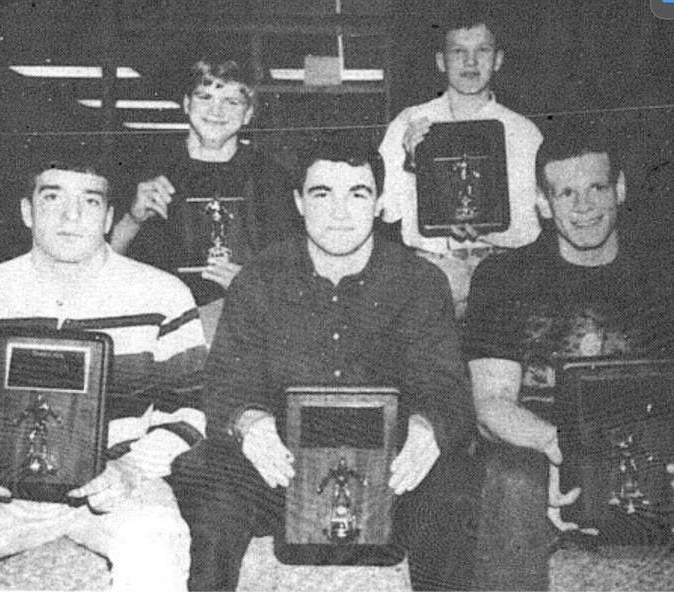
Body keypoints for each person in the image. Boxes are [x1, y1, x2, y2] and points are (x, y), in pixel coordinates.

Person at [170, 138, 477, 591]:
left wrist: (429, 430)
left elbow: (447, 385)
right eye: (321, 194)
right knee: (207, 474)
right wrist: (250, 425)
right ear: (298, 202)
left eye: (357, 193)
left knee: (453, 488)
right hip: (281, 465)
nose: (339, 212)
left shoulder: (419, 282)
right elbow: (226, 384)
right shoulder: (258, 279)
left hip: (393, 471)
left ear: (380, 204)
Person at [462, 122, 674, 590]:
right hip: (540, 461)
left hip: (650, 460)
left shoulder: (669, 276)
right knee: (511, 478)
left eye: (597, 187)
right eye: (566, 193)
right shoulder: (504, 278)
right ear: (542, 202)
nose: (583, 207)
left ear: (619, 188)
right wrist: (569, 454)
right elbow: (490, 405)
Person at [0, 161, 207, 591]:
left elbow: (191, 410)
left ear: (107, 218)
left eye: (89, 201)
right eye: (53, 198)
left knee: (159, 552)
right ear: (27, 211)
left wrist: (130, 470)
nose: (71, 216)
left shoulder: (163, 294)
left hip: (117, 485)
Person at [110, 58, 301, 341]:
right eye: (205, 97)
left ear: (248, 114)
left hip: (247, 330)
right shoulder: (145, 171)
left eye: (232, 102)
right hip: (158, 327)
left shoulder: (273, 179)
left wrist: (252, 284)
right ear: (187, 104)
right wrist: (132, 219)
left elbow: (295, 279)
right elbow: (105, 262)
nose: (216, 110)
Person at [378, 6, 542, 317]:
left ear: (498, 59)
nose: (470, 62)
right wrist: (412, 163)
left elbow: (532, 227)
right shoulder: (408, 123)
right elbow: (388, 214)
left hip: (500, 273)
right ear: (441, 61)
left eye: (482, 50)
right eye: (458, 51)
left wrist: (486, 230)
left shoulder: (524, 132)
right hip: (429, 272)